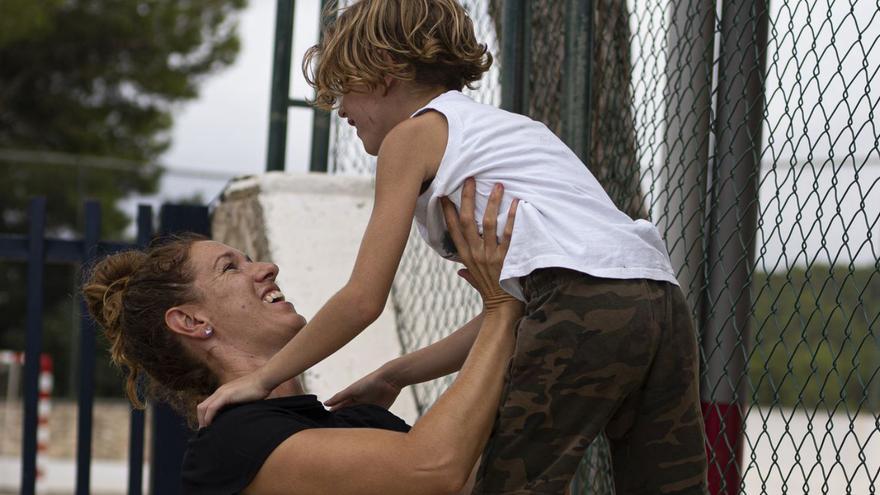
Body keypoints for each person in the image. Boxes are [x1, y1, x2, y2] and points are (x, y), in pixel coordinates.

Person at [199, 0, 708, 493]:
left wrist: (262, 380)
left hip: (581, 306)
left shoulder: (412, 137)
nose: (341, 111)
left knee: (507, 484)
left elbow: (363, 298)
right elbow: (528, 305)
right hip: (660, 300)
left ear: (383, 72)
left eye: (342, 90)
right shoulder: (512, 134)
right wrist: (396, 372)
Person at [83, 187, 522, 494]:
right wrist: (501, 305)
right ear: (192, 321)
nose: (267, 268)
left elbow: (472, 477)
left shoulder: (341, 424)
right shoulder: (232, 444)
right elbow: (435, 468)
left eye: (250, 258)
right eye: (230, 268)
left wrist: (396, 373)